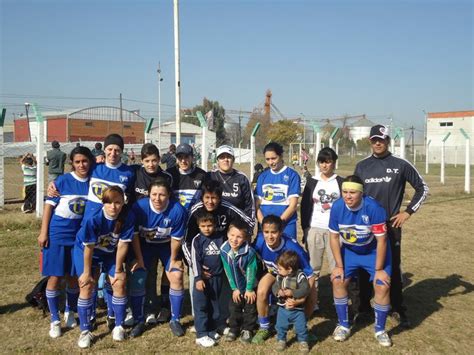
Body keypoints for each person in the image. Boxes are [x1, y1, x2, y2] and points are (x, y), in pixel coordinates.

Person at [354, 124, 428, 327]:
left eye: (382, 139)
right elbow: (354, 194)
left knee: (392, 268)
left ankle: (397, 308)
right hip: (367, 226)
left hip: (391, 226)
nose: (378, 143)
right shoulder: (362, 166)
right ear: (370, 142)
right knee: (363, 268)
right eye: (374, 140)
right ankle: (364, 309)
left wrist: (408, 212)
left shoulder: (400, 164)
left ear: (388, 141)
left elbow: (423, 188)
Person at [37, 146, 94, 339]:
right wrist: (44, 232)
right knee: (55, 277)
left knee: (73, 277)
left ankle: (69, 311)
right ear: (72, 163)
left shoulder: (93, 181)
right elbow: (48, 207)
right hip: (58, 235)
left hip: (79, 238)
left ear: (90, 161)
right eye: (77, 162)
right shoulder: (62, 181)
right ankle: (54, 319)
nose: (81, 165)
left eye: (84, 161)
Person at [328, 175, 392, 347]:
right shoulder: (337, 206)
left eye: (353, 192)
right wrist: (339, 266)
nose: (348, 196)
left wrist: (379, 269)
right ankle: (343, 324)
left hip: (373, 251)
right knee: (338, 280)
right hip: (350, 251)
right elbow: (333, 237)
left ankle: (380, 329)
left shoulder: (374, 208)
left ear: (361, 193)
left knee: (382, 284)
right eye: (345, 192)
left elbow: (382, 241)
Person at [73, 186, 136, 348]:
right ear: (103, 203)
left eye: (117, 202)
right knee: (86, 286)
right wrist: (87, 272)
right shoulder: (93, 218)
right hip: (87, 253)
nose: (113, 206)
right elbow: (88, 248)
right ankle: (85, 331)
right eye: (109, 203)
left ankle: (119, 326)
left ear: (123, 202)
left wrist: (118, 270)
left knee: (119, 282)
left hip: (109, 253)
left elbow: (122, 245)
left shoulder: (127, 217)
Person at [131, 178, 188, 338]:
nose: (157, 198)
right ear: (148, 194)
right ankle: (139, 319)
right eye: (154, 194)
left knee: (176, 275)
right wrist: (138, 258)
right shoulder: (139, 208)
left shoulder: (177, 210)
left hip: (166, 246)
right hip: (144, 246)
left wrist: (174, 259)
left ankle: (175, 319)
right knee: (138, 275)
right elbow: (135, 236)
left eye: (162, 195)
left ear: (168, 195)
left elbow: (176, 239)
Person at [252, 215, 315, 345]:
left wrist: (302, 298)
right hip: (275, 273)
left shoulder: (293, 247)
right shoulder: (259, 241)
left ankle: (302, 327)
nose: (270, 236)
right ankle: (264, 327)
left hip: (294, 275)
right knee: (262, 291)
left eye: (274, 232)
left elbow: (310, 275)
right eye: (266, 232)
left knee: (313, 294)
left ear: (281, 232)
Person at [131, 143, 173, 325]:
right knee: (145, 270)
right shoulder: (134, 173)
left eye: (154, 160)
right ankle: (145, 306)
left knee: (167, 269)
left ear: (159, 159)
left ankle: (164, 305)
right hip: (139, 232)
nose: (151, 164)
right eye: (147, 161)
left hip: (162, 231)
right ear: (142, 161)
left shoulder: (167, 177)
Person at [300, 147, 343, 310]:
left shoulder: (340, 182)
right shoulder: (312, 182)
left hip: (335, 232)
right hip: (315, 229)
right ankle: (313, 300)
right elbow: (305, 207)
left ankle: (338, 299)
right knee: (313, 268)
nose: (325, 165)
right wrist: (305, 229)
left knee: (337, 266)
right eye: (322, 162)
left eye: (328, 162)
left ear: (334, 163)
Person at [220, 220, 258, 344]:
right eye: (232, 235)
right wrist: (234, 288)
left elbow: (251, 271)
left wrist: (249, 289)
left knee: (249, 308)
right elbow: (227, 270)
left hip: (249, 287)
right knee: (234, 308)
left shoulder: (249, 252)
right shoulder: (224, 250)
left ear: (245, 238)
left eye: (239, 237)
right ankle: (234, 328)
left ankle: (248, 329)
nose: (234, 239)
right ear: (227, 234)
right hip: (236, 287)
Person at [191, 211, 225, 347]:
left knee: (213, 306)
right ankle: (201, 334)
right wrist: (198, 278)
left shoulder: (220, 238)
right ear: (199, 226)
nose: (207, 228)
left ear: (215, 225)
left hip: (216, 278)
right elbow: (195, 260)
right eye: (203, 226)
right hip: (202, 281)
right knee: (201, 306)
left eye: (210, 225)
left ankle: (211, 330)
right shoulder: (197, 240)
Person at [256, 142, 301, 238]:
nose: (271, 162)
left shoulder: (292, 175)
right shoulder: (262, 177)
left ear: (281, 156)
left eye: (273, 158)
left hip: (285, 225)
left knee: (287, 252)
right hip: (265, 227)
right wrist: (264, 224)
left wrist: (278, 224)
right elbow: (256, 206)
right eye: (267, 159)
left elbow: (292, 206)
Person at [272, 250, 310, 353]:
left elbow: (305, 289)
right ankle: (281, 340)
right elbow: (274, 286)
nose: (278, 270)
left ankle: (303, 341)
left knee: (301, 327)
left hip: (298, 310)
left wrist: (293, 292)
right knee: (280, 325)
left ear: (289, 269)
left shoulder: (300, 276)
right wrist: (278, 291)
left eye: (280, 268)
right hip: (283, 308)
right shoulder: (280, 276)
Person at [207, 145, 255, 222]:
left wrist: (248, 227)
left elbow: (249, 206)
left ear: (233, 160)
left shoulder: (242, 178)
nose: (225, 160)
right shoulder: (209, 176)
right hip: (214, 225)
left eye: (228, 157)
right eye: (222, 157)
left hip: (236, 226)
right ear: (217, 160)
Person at [167, 143, 207, 210]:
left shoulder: (201, 175)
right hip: (176, 217)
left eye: (186, 157)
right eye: (180, 157)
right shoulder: (169, 174)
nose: (183, 161)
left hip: (195, 217)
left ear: (192, 157)